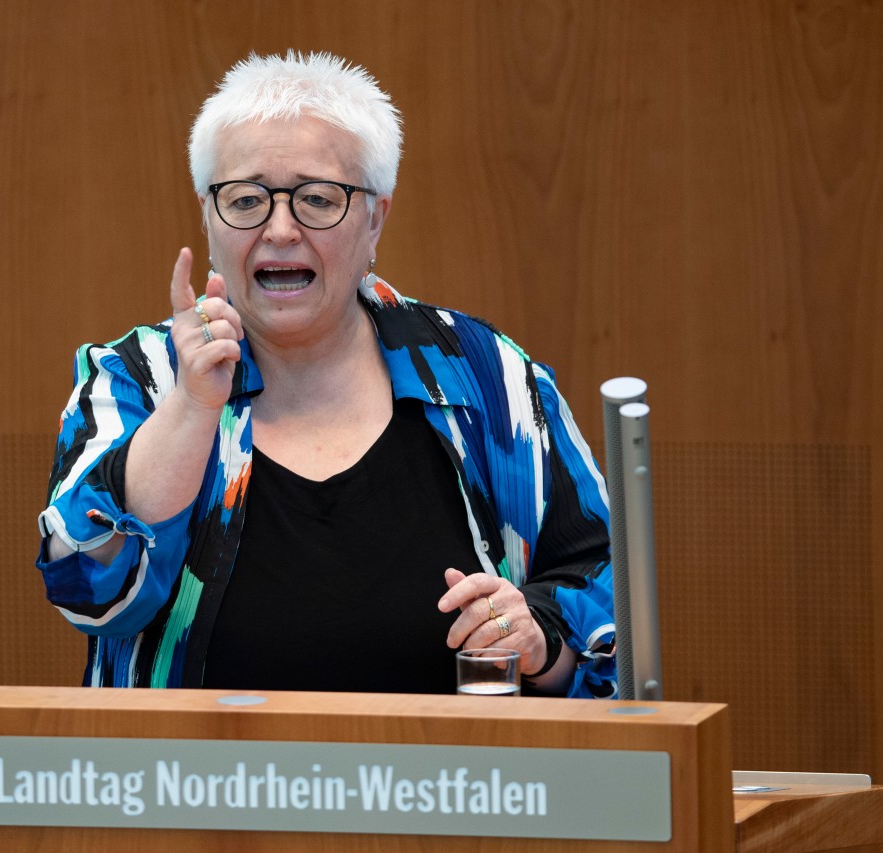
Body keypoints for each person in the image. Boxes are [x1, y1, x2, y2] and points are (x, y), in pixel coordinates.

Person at [36, 52, 616, 698]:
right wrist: (192, 404)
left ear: (375, 219)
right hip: (190, 790)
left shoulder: (485, 377)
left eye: (317, 199)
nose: (280, 229)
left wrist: (540, 639)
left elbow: (605, 587)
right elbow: (88, 590)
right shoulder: (136, 379)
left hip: (453, 790)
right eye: (247, 199)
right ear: (208, 216)